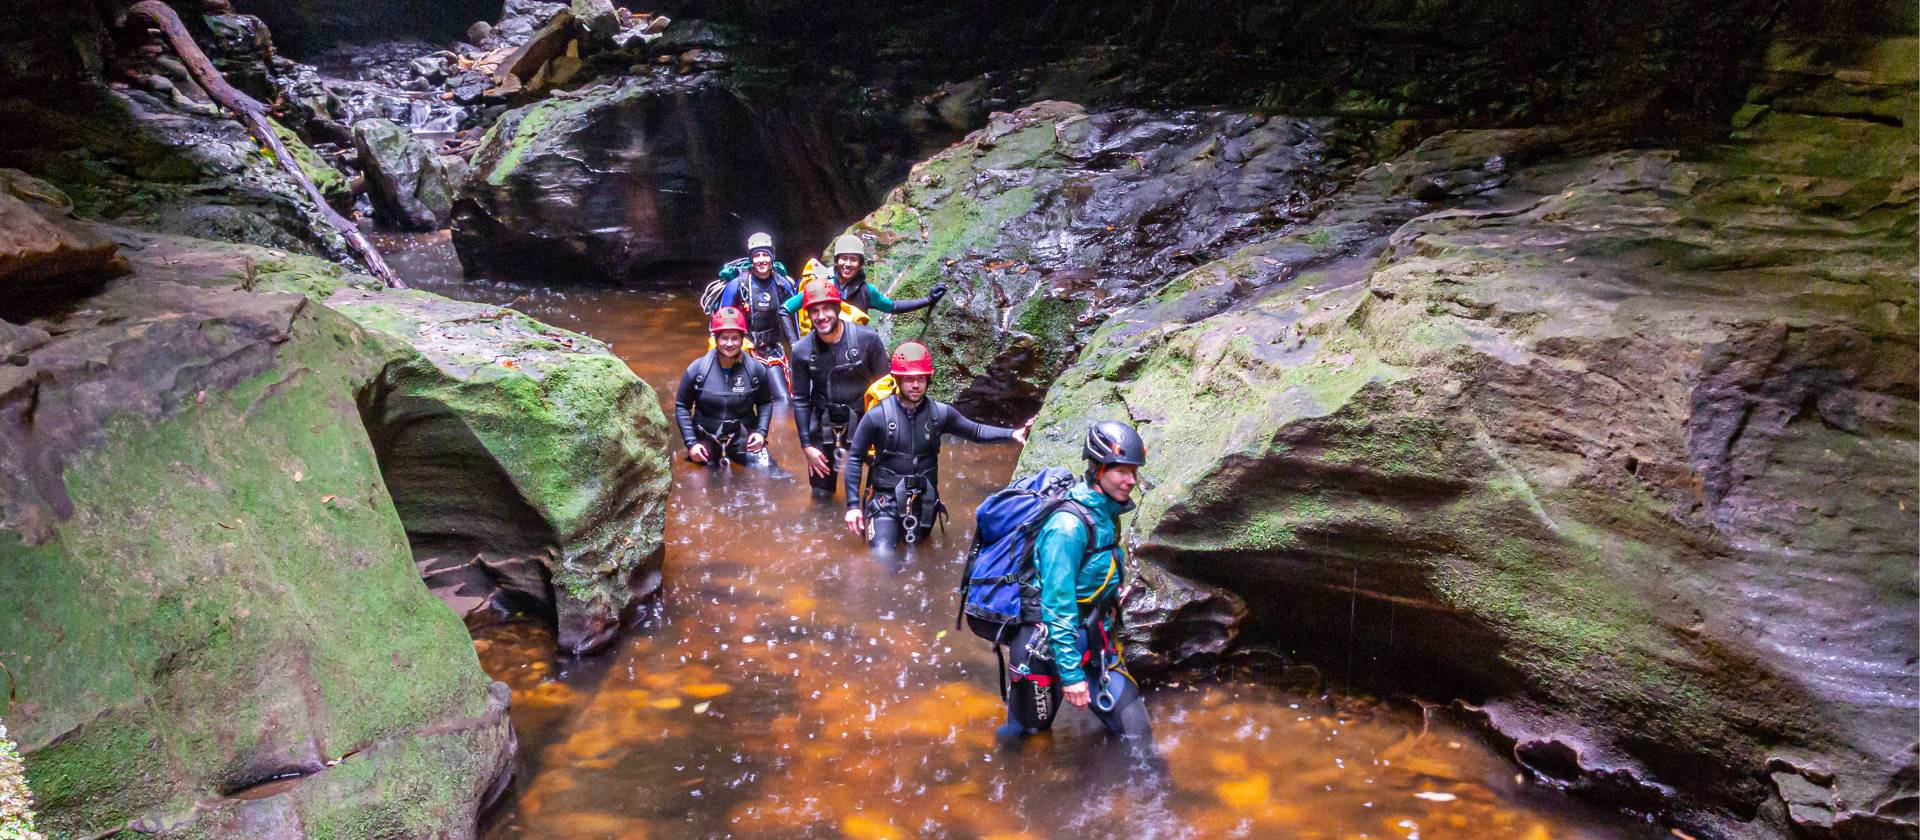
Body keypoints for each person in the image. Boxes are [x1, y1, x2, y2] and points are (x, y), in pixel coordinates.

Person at [998, 421, 1156, 756]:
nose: (1131, 480)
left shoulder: (1107, 513)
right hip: (1043, 647)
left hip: (1094, 640)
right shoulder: (1067, 527)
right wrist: (1070, 675)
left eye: (1134, 471)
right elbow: (1058, 604)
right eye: (1122, 471)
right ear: (1098, 470)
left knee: (1138, 736)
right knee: (1026, 742)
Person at [842, 342, 1030, 548]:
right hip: (885, 503)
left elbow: (976, 431)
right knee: (882, 556)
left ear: (928, 379)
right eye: (909, 379)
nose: (916, 385)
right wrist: (853, 506)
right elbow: (855, 457)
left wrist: (1013, 434)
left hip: (923, 502)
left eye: (921, 378)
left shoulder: (940, 414)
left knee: (918, 554)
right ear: (897, 379)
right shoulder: (877, 416)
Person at [787, 278, 889, 498]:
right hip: (824, 423)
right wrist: (807, 446)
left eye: (826, 308)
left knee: (879, 495)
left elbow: (887, 390)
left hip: (866, 422)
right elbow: (801, 400)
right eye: (814, 311)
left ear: (837, 308)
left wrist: (887, 436)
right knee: (821, 498)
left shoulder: (868, 340)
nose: (821, 316)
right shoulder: (802, 351)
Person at [674, 307, 777, 468]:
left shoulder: (756, 370)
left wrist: (761, 433)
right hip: (706, 441)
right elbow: (682, 406)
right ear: (715, 339)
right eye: (724, 338)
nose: (729, 344)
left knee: (771, 475)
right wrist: (691, 444)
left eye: (734, 338)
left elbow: (766, 402)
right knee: (694, 480)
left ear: (742, 339)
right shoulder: (697, 370)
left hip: (744, 438)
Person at [783, 234, 948, 319]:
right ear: (836, 261)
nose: (848, 264)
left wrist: (927, 299)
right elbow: (785, 309)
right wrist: (794, 344)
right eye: (843, 258)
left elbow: (893, 307)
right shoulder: (821, 287)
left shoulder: (867, 292)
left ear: (861, 263)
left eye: (853, 259)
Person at [715, 232, 800, 399]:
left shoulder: (782, 284)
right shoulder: (737, 285)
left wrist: (797, 347)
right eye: (757, 255)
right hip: (742, 351)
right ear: (751, 259)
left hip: (771, 352)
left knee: (783, 400)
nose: (761, 260)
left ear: (772, 257)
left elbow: (793, 320)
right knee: (739, 400)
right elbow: (721, 322)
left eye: (765, 255)